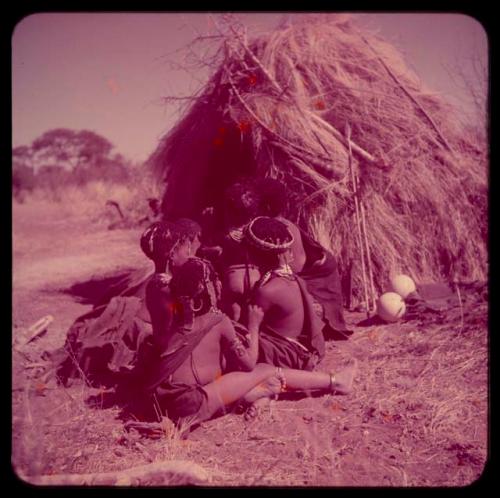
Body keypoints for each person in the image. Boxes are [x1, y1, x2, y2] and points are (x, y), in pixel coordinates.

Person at [133, 258, 356, 428]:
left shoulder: (174, 314)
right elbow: (249, 364)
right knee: (264, 370)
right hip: (186, 405)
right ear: (209, 288)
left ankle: (256, 395)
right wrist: (255, 325)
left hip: (156, 400)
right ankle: (335, 381)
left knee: (238, 380)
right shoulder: (217, 320)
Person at [256, 177, 352, 339]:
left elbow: (297, 266)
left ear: (265, 205)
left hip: (317, 269)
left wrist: (275, 282)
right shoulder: (268, 224)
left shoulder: (284, 228)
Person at [243, 216, 326, 371]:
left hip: (287, 356)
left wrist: (250, 325)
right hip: (299, 351)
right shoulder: (291, 279)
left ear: (253, 254)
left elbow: (253, 325)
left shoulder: (267, 291)